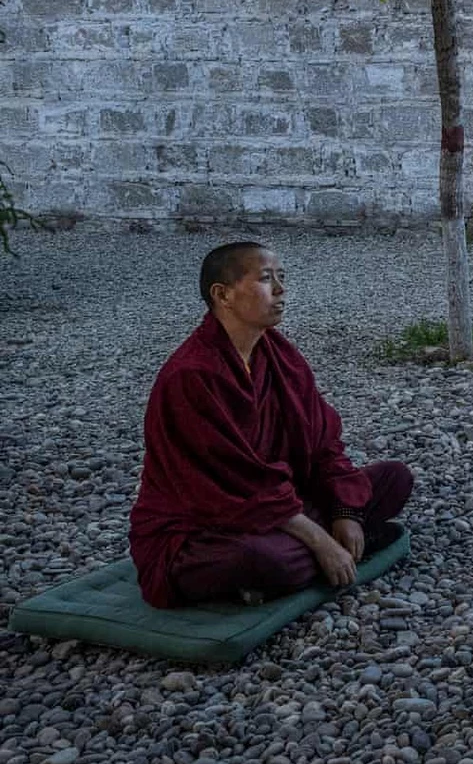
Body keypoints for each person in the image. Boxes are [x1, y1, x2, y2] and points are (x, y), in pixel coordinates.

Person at [130, 243, 413, 609]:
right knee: (264, 559)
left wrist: (345, 510)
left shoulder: (280, 355)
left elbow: (323, 442)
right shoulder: (192, 375)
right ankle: (309, 557)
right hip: (207, 527)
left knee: (395, 478)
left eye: (282, 278)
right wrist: (321, 540)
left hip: (282, 504)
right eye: (266, 279)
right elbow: (226, 490)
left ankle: (313, 551)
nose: (281, 290)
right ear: (223, 294)